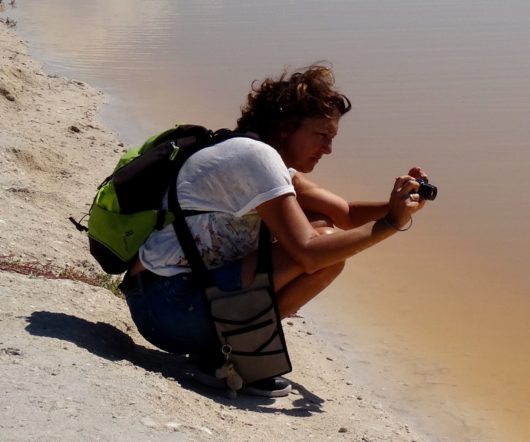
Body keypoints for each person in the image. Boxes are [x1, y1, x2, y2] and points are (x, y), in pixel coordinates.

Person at [121, 63, 429, 397]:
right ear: (286, 128)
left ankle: (231, 349)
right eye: (322, 136)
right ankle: (233, 353)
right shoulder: (257, 159)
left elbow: (347, 214)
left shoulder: (254, 153)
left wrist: (398, 202)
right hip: (169, 307)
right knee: (324, 248)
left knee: (324, 228)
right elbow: (309, 254)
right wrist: (391, 224)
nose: (328, 149)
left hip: (161, 301)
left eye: (332, 138)